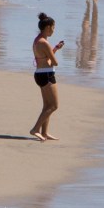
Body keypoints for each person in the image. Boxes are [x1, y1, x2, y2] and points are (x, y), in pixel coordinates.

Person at [28, 13, 63, 141]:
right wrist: (53, 53)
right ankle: (35, 129)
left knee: (47, 105)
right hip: (47, 74)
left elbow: (44, 58)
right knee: (53, 106)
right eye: (53, 27)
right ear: (48, 27)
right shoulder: (44, 43)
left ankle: (44, 132)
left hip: (39, 74)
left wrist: (55, 49)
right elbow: (54, 63)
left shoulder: (37, 40)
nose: (54, 30)